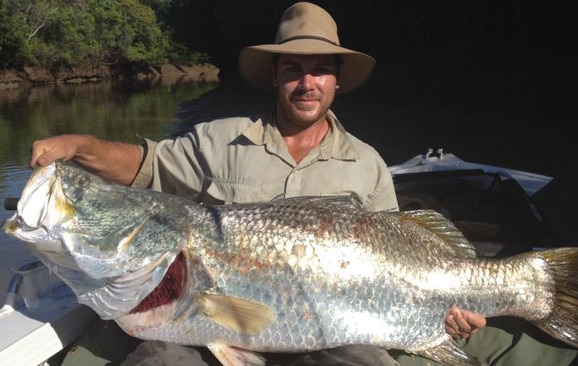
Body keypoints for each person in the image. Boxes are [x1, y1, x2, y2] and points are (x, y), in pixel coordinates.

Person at [29, 2, 485, 365]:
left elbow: (404, 257)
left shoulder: (368, 164)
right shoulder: (217, 138)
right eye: (293, 69)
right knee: (158, 359)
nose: (307, 83)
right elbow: (145, 166)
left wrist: (444, 316)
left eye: (321, 69)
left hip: (334, 334)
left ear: (337, 80)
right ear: (275, 75)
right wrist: (81, 145)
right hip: (208, 328)